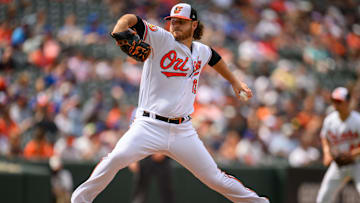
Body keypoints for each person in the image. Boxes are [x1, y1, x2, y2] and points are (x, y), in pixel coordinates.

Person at [71, 3, 269, 203]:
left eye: (181, 22)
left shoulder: (201, 50)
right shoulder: (161, 38)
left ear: (194, 25)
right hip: (149, 125)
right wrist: (119, 28)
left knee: (215, 179)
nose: (175, 25)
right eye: (173, 21)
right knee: (114, 160)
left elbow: (214, 58)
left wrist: (235, 81)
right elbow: (131, 19)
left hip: (183, 130)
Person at [316, 87, 360, 203]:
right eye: (334, 101)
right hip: (339, 164)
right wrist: (326, 153)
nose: (336, 104)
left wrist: (352, 154)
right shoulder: (330, 120)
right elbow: (324, 137)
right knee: (323, 197)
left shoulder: (357, 121)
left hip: (357, 163)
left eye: (339, 101)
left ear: (348, 102)